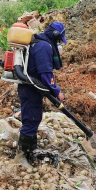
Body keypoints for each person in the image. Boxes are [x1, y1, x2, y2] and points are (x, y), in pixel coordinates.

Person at [18, 21, 67, 159]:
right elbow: (46, 74)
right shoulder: (44, 46)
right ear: (54, 35)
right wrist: (56, 91)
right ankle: (21, 157)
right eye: (58, 40)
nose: (59, 43)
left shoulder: (39, 43)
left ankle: (31, 151)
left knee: (32, 118)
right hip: (30, 88)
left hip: (29, 87)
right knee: (32, 120)